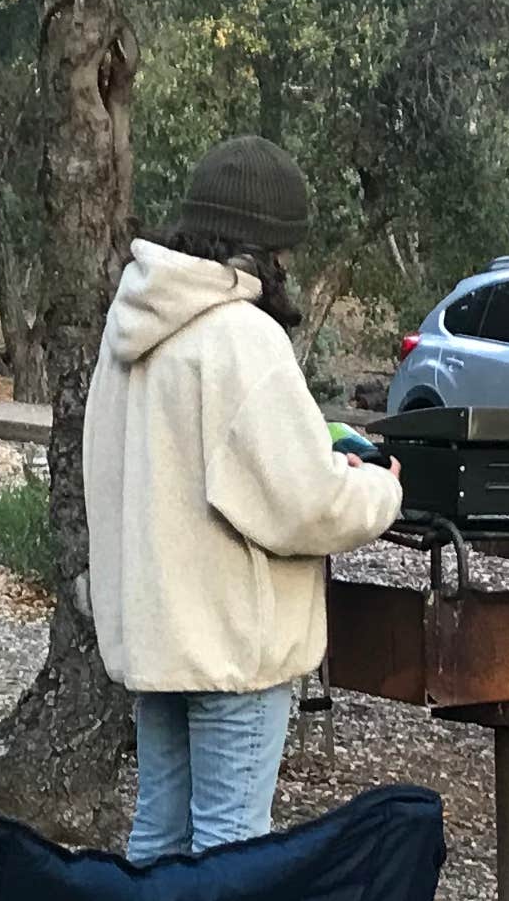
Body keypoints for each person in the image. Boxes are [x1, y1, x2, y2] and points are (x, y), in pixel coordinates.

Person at [84, 136, 402, 861]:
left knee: (159, 840)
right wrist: (379, 491)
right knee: (230, 852)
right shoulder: (241, 338)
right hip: (233, 646)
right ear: (267, 249)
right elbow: (304, 501)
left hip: (158, 634)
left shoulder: (131, 326)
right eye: (287, 251)